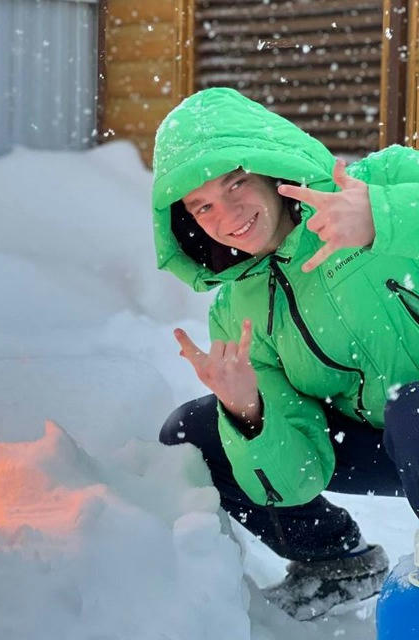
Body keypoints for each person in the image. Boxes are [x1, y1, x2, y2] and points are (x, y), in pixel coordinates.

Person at [152, 87, 419, 620]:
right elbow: (297, 474)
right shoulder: (238, 311)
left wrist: (384, 217)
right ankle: (338, 565)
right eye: (203, 206)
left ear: (271, 170)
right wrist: (247, 412)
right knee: (198, 433)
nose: (228, 216)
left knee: (411, 405)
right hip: (392, 442)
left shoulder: (380, 183)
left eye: (235, 184)